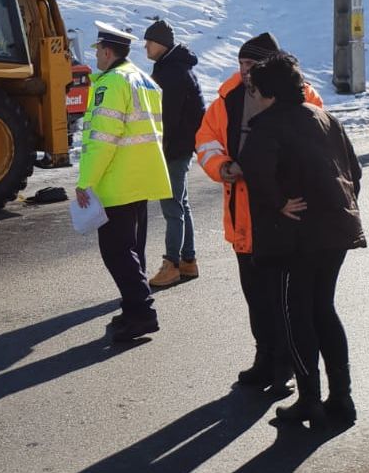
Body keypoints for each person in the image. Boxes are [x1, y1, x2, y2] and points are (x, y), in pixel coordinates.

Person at [236, 52, 365, 425]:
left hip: (296, 237)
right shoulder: (326, 118)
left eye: (255, 89)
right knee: (323, 309)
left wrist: (279, 204)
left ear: (268, 92)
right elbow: (353, 173)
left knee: (296, 316)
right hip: (337, 231)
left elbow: (256, 173)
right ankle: (341, 397)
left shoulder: (267, 126)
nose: (253, 96)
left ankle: (309, 398)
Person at [195, 31, 322, 392]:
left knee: (281, 297)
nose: (245, 71)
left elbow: (311, 150)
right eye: (241, 64)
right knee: (255, 293)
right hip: (243, 213)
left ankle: (285, 363)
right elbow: (205, 141)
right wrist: (223, 166)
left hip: (282, 214)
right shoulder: (227, 98)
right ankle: (264, 357)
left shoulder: (304, 96)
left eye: (252, 64)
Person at [75, 22, 171, 342]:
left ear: (106, 51)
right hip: (142, 178)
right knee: (132, 249)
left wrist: (86, 181)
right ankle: (133, 308)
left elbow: (103, 139)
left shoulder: (112, 83)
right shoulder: (144, 80)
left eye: (98, 53)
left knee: (116, 251)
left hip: (117, 180)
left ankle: (141, 312)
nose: (96, 60)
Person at [142, 19, 205, 289]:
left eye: (149, 41)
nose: (145, 46)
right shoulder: (174, 68)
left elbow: (165, 119)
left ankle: (172, 265)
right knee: (181, 203)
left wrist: (161, 151)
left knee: (172, 207)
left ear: (161, 44)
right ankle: (188, 260)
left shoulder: (172, 73)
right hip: (180, 147)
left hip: (173, 150)